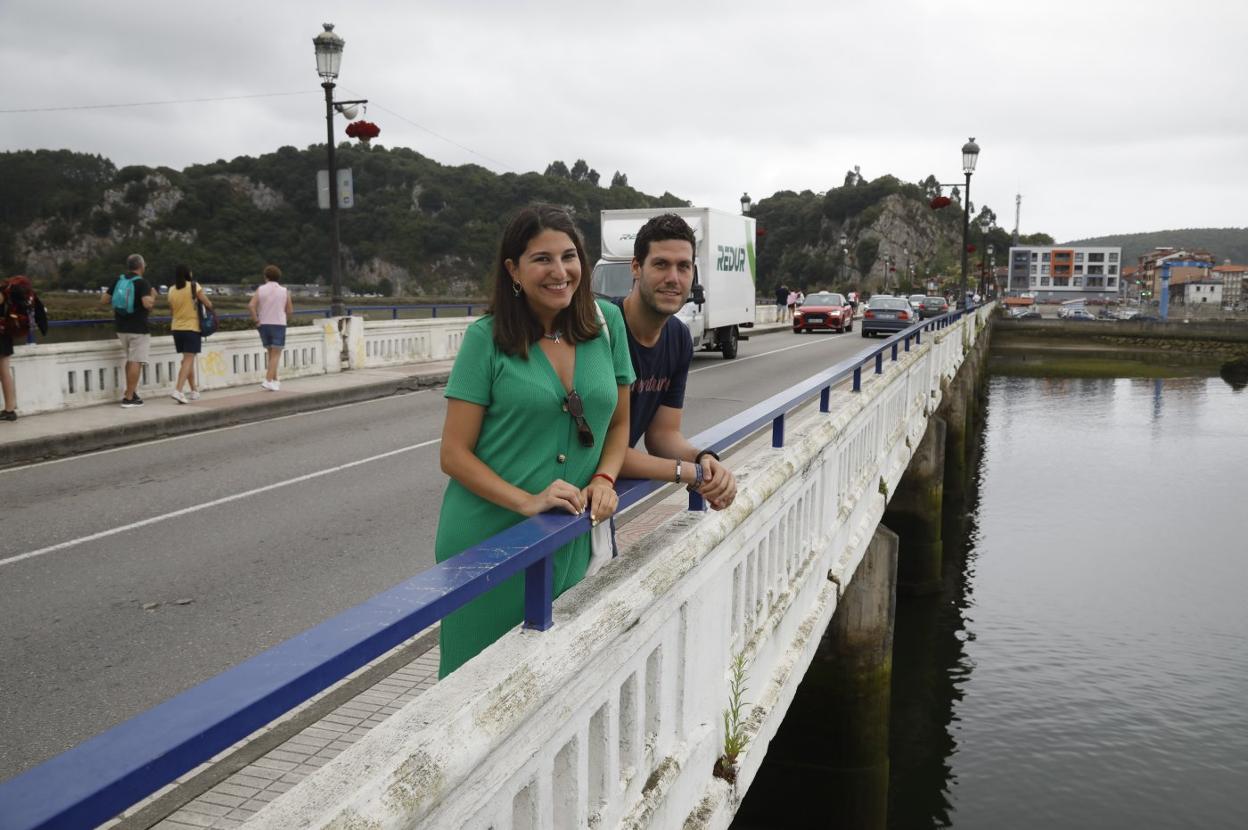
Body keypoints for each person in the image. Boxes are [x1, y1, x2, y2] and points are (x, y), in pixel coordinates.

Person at [435, 205, 635, 678]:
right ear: (514, 270)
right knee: (476, 685)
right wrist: (526, 501)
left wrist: (606, 476)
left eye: (569, 256)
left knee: (555, 676)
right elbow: (453, 454)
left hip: (568, 534)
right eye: (542, 259)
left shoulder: (606, 325)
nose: (559, 271)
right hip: (490, 537)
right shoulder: (486, 340)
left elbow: (620, 423)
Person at [615, 214, 737, 509]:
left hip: (600, 500)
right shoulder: (605, 331)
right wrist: (689, 473)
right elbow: (603, 452)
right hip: (553, 498)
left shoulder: (678, 338)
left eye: (683, 267)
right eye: (660, 264)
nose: (673, 278)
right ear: (636, 267)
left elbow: (662, 434)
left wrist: (703, 460)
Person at [102, 253, 156, 407]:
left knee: (130, 359)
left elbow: (104, 299)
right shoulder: (142, 283)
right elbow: (147, 304)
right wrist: (152, 296)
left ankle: (130, 392)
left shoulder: (120, 280)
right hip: (138, 328)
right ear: (141, 266)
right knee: (136, 361)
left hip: (121, 327)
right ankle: (129, 398)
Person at [167, 264, 213, 404]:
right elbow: (208, 303)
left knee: (187, 360)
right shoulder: (194, 286)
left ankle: (193, 390)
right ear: (188, 274)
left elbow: (172, 311)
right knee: (188, 360)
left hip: (176, 328)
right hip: (191, 328)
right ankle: (178, 390)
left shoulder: (171, 290)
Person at [248, 265, 292, 391]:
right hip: (279, 324)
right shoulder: (284, 291)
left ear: (265, 276)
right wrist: (285, 319)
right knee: (276, 354)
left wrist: (256, 320)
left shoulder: (261, 289)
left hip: (264, 324)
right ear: (278, 277)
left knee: (271, 353)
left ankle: (275, 380)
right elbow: (289, 310)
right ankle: (268, 380)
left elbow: (251, 305)